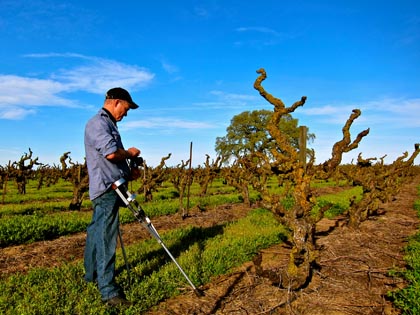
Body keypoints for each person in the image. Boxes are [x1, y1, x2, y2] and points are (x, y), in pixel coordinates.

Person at [83, 87, 141, 306]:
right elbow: (111, 153)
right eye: (125, 109)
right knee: (107, 237)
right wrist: (130, 153)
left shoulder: (109, 124)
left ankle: (91, 276)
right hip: (107, 189)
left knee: (97, 231)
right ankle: (109, 292)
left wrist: (129, 171)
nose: (125, 114)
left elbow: (111, 160)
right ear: (116, 102)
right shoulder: (98, 123)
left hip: (112, 185)